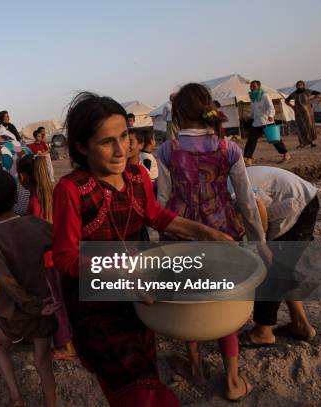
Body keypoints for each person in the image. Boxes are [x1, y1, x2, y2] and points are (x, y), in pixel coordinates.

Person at [52, 92, 234, 406]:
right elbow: (64, 258)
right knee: (139, 388)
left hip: (139, 299)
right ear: (82, 147)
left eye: (124, 136)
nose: (121, 149)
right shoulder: (71, 190)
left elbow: (157, 216)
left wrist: (208, 234)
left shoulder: (136, 177)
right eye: (106, 142)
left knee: (141, 373)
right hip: (97, 309)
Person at [156, 83, 266, 402]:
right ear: (209, 109)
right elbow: (245, 201)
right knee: (223, 302)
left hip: (180, 235)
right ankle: (232, 380)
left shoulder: (165, 151)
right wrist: (260, 241)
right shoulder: (228, 148)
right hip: (222, 232)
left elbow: (161, 202)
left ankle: (195, 367)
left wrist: (156, 245)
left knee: (189, 299)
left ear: (176, 114)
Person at [0, 169, 59, 407]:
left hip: (14, 312)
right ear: (16, 197)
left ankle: (16, 397)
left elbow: (5, 280)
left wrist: (29, 305)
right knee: (43, 361)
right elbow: (64, 248)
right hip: (44, 304)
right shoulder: (36, 223)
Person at [236, 166, 319, 346]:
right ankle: (301, 325)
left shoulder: (228, 188)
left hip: (298, 208)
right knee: (283, 268)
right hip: (298, 201)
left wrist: (262, 243)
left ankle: (263, 332)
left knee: (272, 268)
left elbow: (257, 206)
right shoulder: (225, 181)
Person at [16, 154, 77, 362]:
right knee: (65, 299)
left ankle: (65, 346)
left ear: (23, 177)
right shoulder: (51, 194)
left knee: (54, 303)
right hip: (62, 258)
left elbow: (37, 237)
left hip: (47, 262)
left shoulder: (34, 202)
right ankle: (71, 337)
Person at [243, 80, 290, 165]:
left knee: (275, 140)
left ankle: (286, 154)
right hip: (256, 123)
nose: (252, 87)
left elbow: (271, 108)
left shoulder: (265, 95)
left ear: (259, 86)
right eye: (251, 86)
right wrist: (248, 116)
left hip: (267, 121)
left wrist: (271, 116)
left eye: (254, 86)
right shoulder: (253, 98)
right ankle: (248, 158)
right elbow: (253, 111)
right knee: (251, 140)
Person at [286, 80, 321, 148]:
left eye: (301, 85)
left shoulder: (307, 91)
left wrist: (312, 99)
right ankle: (302, 143)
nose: (300, 86)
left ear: (303, 85)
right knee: (300, 128)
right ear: (296, 86)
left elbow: (318, 93)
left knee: (309, 127)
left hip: (308, 113)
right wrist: (293, 107)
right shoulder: (294, 93)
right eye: (298, 85)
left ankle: (312, 143)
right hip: (299, 114)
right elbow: (286, 101)